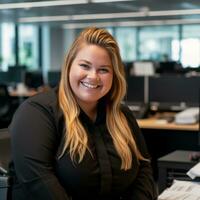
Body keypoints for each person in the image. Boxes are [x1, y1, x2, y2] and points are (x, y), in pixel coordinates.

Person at [8, 27, 157, 200]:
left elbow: (143, 169)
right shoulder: (37, 113)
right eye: (85, 66)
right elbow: (39, 183)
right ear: (69, 65)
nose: (93, 77)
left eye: (103, 70)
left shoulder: (122, 115)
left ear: (114, 75)